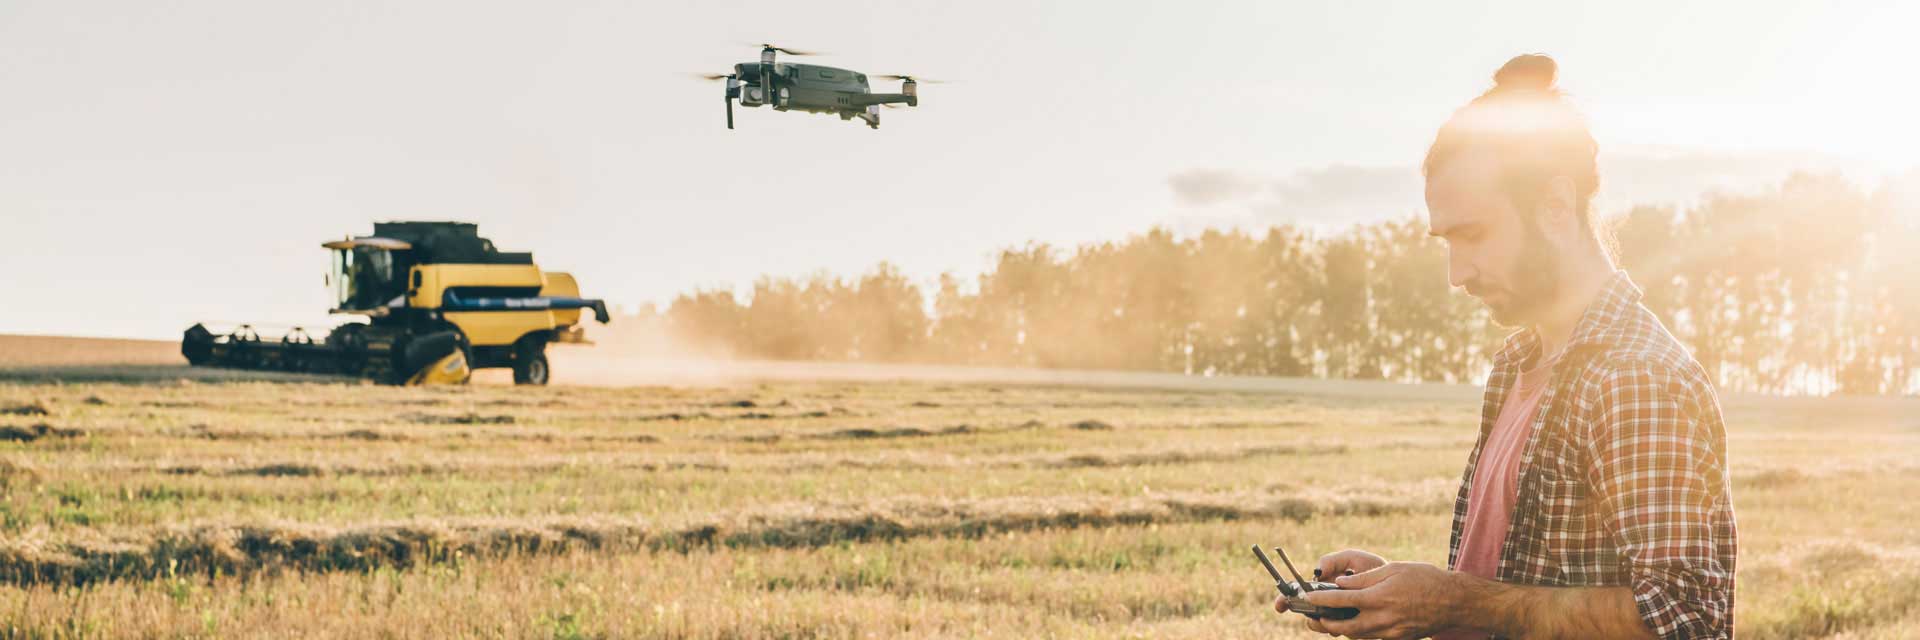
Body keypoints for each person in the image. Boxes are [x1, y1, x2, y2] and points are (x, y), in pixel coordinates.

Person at [1279, 54, 1737, 639]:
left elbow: (1687, 620)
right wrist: (1404, 596)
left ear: (1553, 206)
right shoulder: (1517, 366)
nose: (1456, 272)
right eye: (1446, 241)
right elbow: (1507, 586)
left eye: (1473, 234)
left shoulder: (1633, 377)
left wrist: (1454, 600)